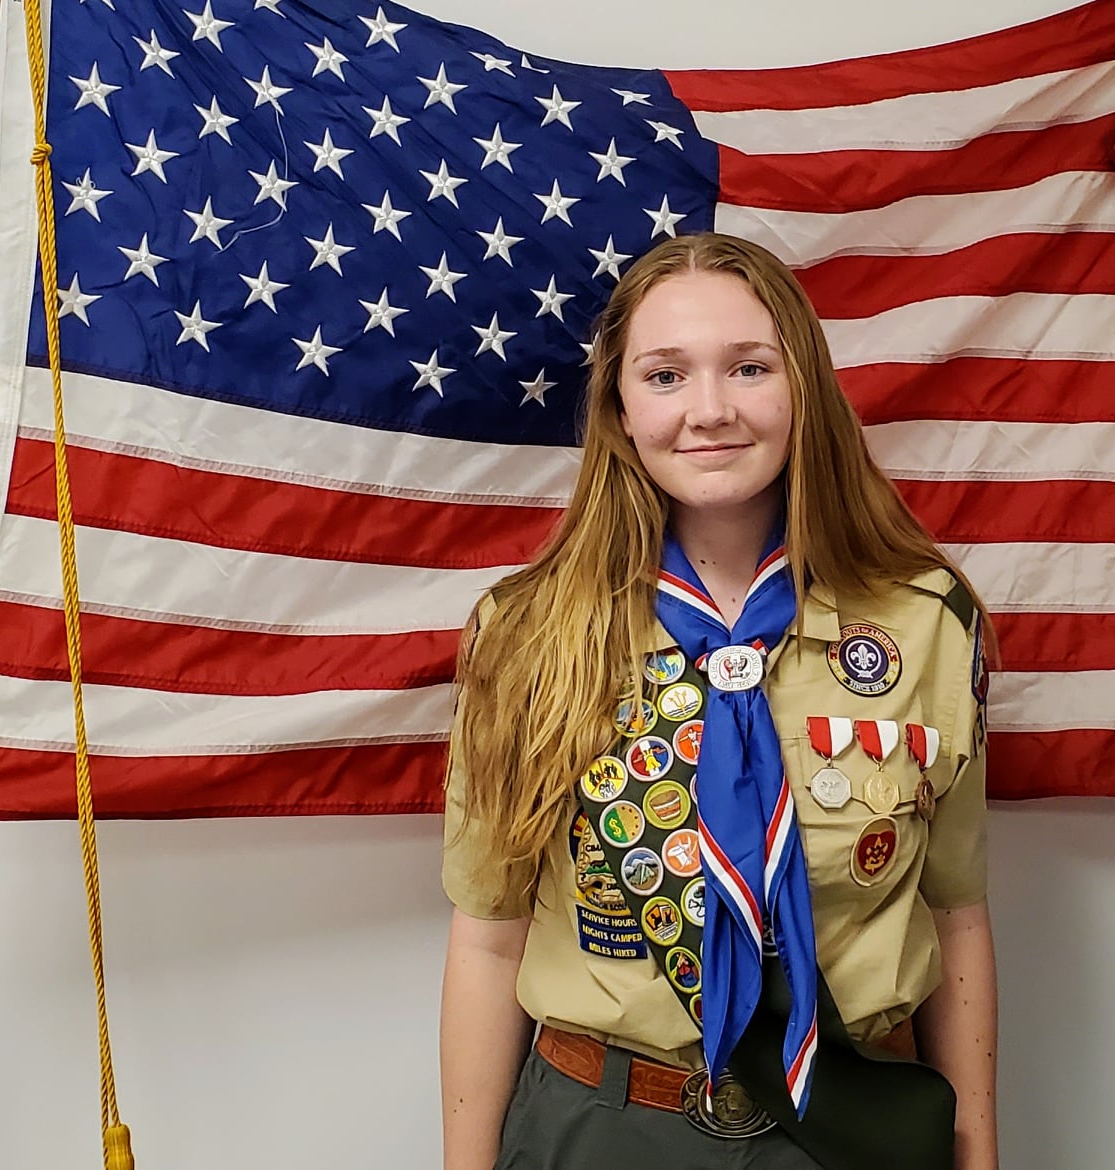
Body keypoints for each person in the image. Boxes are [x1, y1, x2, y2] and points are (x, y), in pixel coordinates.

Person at [438, 233, 998, 1170]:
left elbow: (957, 915)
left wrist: (979, 1157)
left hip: (845, 1127)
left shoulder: (927, 622)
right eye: (665, 376)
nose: (710, 411)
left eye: (748, 367)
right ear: (619, 408)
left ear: (804, 386)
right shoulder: (526, 634)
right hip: (604, 1125)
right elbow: (487, 941)